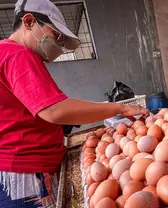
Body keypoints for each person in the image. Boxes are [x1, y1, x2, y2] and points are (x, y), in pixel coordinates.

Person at [0, 0, 148, 207]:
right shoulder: (17, 55)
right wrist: (120, 107)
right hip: (25, 171)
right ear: (29, 21)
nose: (59, 45)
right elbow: (54, 110)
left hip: (22, 168)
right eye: (56, 36)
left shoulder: (7, 53)